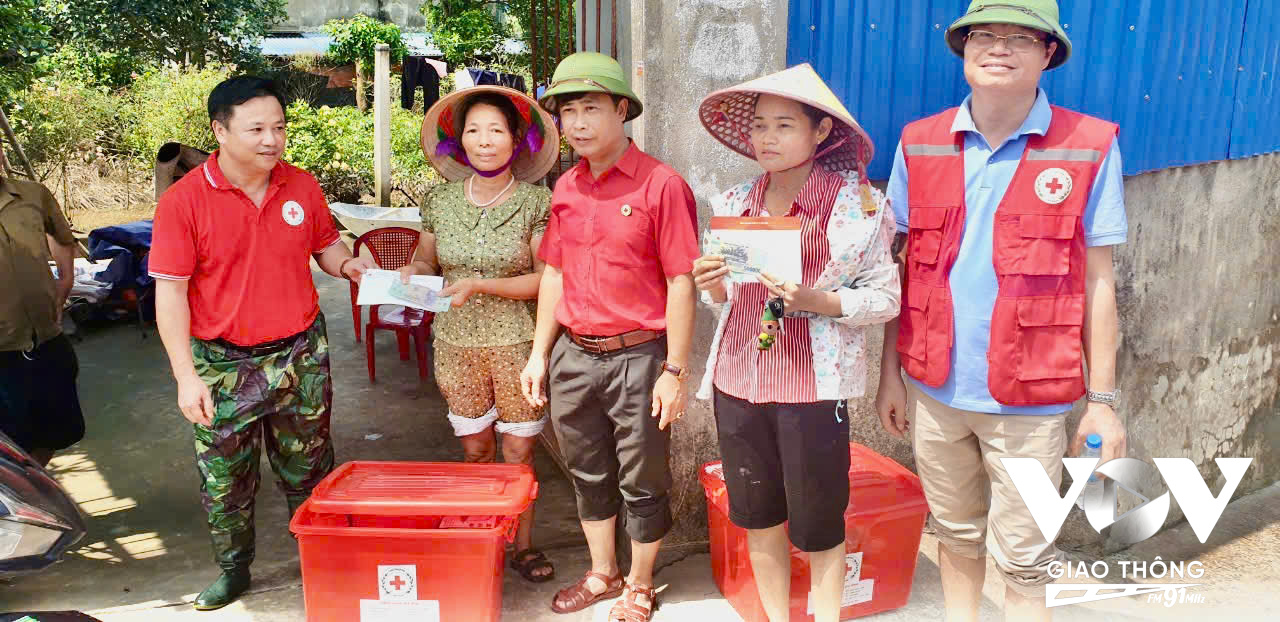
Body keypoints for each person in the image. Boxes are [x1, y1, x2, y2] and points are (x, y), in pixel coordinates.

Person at [875, 2, 1128, 620]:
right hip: (935, 394)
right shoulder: (920, 141)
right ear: (963, 49)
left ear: (1048, 54)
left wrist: (1103, 400)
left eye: (1020, 37)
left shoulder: (1088, 145)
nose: (999, 47)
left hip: (1031, 404)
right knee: (956, 537)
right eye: (984, 34)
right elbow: (898, 272)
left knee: (1025, 558)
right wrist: (889, 374)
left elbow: (1099, 284)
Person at [149, 76, 378, 611]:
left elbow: (324, 245)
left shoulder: (300, 185)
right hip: (222, 364)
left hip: (300, 355)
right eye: (256, 128)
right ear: (219, 130)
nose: (271, 140)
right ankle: (234, 570)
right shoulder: (184, 203)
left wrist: (347, 264)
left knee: (311, 467)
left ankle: (325, 561)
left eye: (278, 127)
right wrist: (186, 376)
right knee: (226, 479)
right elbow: (170, 296)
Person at [691, 64, 900, 622]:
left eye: (784, 126)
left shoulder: (857, 205)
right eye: (759, 126)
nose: (767, 139)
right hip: (740, 380)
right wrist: (713, 286)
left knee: (819, 523)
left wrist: (817, 301)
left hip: (812, 387)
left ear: (821, 133)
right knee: (757, 515)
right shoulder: (734, 201)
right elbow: (728, 298)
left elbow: (885, 298)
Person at [518, 51, 699, 622]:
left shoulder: (661, 185)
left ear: (622, 110)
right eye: (566, 111)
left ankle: (640, 585)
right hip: (575, 355)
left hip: (639, 358)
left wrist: (675, 370)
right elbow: (555, 273)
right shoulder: (566, 187)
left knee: (643, 478)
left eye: (590, 108)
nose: (576, 123)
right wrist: (540, 354)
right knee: (588, 472)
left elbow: (681, 280)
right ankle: (603, 573)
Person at [401, 85, 560, 583]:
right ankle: (483, 536)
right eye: (474, 130)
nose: (484, 140)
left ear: (517, 140)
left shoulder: (539, 202)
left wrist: (481, 284)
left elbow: (546, 278)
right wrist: (413, 269)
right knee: (475, 450)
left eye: (496, 130)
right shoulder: (440, 201)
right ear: (459, 140)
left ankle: (524, 545)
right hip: (455, 344)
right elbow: (428, 258)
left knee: (518, 451)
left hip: (518, 344)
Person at [0, 148, 84, 467]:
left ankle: (34, 492)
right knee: (10, 443)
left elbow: (63, 237)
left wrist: (64, 281)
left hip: (44, 339)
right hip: (2, 349)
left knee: (55, 430)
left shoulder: (31, 194)